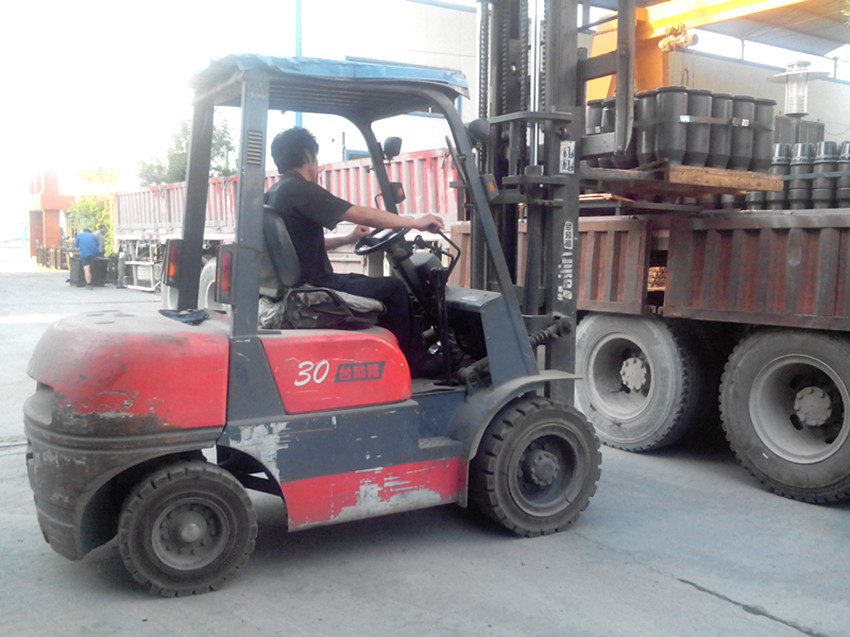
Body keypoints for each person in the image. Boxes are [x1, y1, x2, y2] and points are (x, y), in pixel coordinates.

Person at [264, 127, 445, 375]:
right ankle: (416, 362)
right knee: (394, 289)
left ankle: (392, 353)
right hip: (315, 285)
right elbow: (359, 213)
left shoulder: (275, 193)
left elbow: (297, 246)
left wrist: (348, 239)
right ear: (308, 155)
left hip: (301, 283)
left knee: (373, 285)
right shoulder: (301, 189)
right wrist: (414, 223)